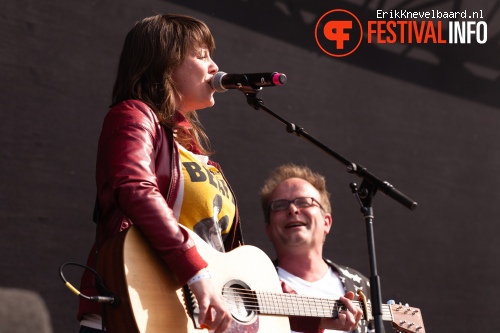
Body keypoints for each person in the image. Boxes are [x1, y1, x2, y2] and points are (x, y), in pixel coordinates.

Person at [77, 14, 243, 333]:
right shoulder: (133, 115)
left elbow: (225, 261)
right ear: (165, 64)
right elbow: (135, 188)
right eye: (202, 54)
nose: (214, 67)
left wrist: (312, 317)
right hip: (133, 308)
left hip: (186, 318)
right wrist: (195, 271)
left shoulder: (194, 149)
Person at [260, 163, 373, 333]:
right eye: (280, 205)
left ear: (326, 222)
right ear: (268, 230)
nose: (292, 209)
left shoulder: (358, 285)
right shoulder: (256, 283)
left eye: (304, 202)